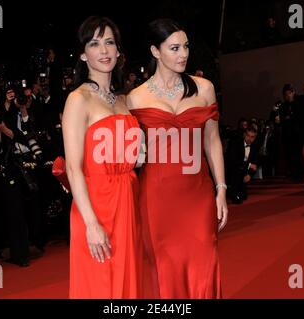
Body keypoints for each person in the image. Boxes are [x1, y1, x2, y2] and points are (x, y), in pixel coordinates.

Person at [127, 18, 228, 298]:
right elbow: (134, 153)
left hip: (198, 196)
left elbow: (212, 140)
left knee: (204, 263)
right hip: (156, 198)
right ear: (155, 51)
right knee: (164, 270)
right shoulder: (135, 98)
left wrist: (221, 189)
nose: (183, 54)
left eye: (185, 46)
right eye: (174, 48)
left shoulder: (203, 88)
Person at [62, 16, 142, 298]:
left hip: (127, 202)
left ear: (119, 51)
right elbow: (73, 168)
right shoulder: (78, 99)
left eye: (109, 42)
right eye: (94, 44)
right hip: (95, 205)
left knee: (126, 284)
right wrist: (91, 223)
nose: (104, 50)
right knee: (99, 285)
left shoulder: (124, 100)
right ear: (83, 54)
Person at [225, 126, 259, 204]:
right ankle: (232, 191)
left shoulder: (255, 146)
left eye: (252, 137)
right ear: (244, 135)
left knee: (244, 196)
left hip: (244, 171)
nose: (249, 139)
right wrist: (249, 165)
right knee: (237, 199)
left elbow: (255, 163)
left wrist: (249, 175)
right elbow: (233, 161)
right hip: (232, 170)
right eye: (248, 136)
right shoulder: (235, 143)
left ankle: (235, 191)